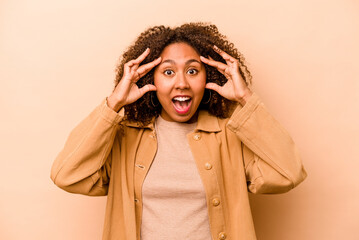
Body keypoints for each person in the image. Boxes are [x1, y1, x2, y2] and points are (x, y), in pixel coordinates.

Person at [51, 22, 307, 240]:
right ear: (151, 80)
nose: (181, 82)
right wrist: (113, 104)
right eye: (169, 72)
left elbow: (288, 174)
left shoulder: (229, 135)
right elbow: (67, 175)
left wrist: (246, 99)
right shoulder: (125, 136)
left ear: (210, 78)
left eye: (193, 71)